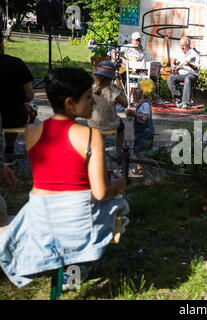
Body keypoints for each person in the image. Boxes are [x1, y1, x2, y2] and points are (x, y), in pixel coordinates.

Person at [0, 67, 129, 288]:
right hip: (75, 221)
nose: (94, 103)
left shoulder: (31, 131)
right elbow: (100, 192)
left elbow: (56, 173)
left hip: (41, 217)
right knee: (119, 205)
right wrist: (117, 185)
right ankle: (78, 266)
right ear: (70, 103)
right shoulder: (90, 136)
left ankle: (64, 264)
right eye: (88, 98)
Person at [0, 30, 34, 166]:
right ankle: (9, 151)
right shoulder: (16, 63)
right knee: (21, 109)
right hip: (13, 117)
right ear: (1, 45)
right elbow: (30, 95)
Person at [88, 61, 128, 154]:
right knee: (121, 128)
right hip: (110, 126)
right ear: (110, 79)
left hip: (93, 124)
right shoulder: (113, 91)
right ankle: (118, 151)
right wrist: (120, 91)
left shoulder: (91, 88)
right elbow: (126, 104)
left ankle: (97, 151)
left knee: (101, 123)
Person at [126, 84, 154, 175]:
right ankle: (142, 168)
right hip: (142, 131)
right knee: (142, 150)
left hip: (144, 132)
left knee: (139, 150)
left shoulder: (145, 104)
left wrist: (134, 114)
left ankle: (140, 169)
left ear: (144, 91)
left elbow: (145, 117)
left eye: (138, 88)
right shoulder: (142, 103)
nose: (135, 90)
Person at [166, 36, 200, 109]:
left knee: (187, 78)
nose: (182, 47)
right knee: (170, 78)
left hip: (192, 74)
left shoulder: (194, 53)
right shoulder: (178, 51)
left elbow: (197, 67)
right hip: (181, 75)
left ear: (188, 45)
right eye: (181, 45)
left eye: (184, 46)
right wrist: (172, 65)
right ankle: (178, 100)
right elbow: (173, 58)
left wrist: (189, 64)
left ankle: (185, 103)